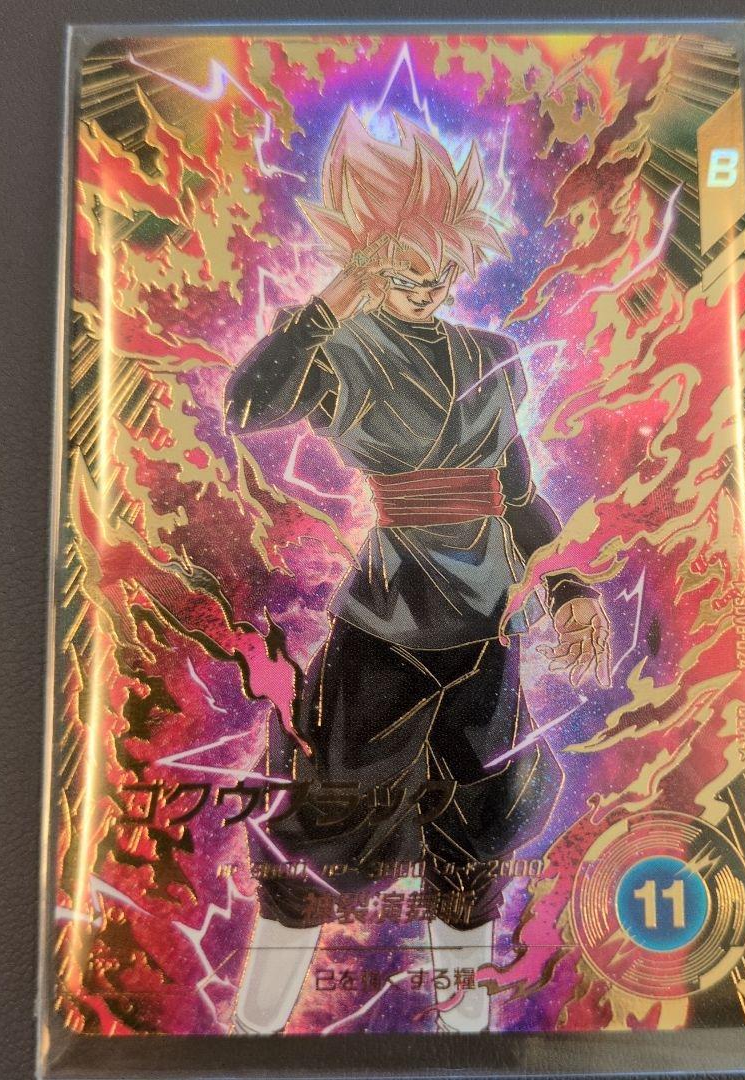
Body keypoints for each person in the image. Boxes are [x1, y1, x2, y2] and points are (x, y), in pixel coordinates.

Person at [224, 109, 612, 1034]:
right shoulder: (342, 349)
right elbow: (247, 405)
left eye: (441, 269)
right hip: (386, 625)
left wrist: (567, 587)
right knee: (326, 820)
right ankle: (255, 1027)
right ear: (365, 256)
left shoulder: (492, 359)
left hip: (486, 630)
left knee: (477, 830)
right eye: (403, 270)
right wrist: (332, 302)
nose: (428, 287)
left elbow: (520, 496)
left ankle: (467, 1031)